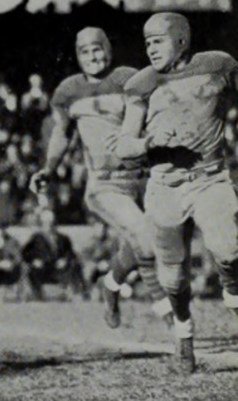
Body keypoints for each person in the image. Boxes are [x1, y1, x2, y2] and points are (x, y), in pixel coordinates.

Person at [113, 12, 238, 373]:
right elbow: (123, 144)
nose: (150, 48)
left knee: (229, 249)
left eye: (158, 40)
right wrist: (149, 140)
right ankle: (184, 336)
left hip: (210, 177)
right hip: (165, 185)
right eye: (146, 41)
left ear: (181, 40)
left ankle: (231, 287)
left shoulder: (218, 65)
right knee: (172, 276)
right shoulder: (141, 84)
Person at [29, 27, 170, 329]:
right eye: (85, 51)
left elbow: (156, 115)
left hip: (143, 178)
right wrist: (49, 169)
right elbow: (61, 134)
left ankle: (110, 285)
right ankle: (171, 316)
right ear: (78, 56)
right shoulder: (68, 91)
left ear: (109, 49)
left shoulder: (129, 78)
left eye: (98, 49)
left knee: (140, 243)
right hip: (105, 184)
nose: (93, 57)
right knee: (144, 236)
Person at [20, 210, 85, 301]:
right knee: (32, 271)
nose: (49, 226)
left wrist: (65, 260)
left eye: (51, 222)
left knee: (74, 266)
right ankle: (37, 296)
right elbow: (24, 253)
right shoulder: (36, 238)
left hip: (58, 269)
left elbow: (71, 253)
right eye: (46, 223)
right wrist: (34, 260)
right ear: (42, 224)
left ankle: (76, 293)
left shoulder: (63, 239)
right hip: (42, 269)